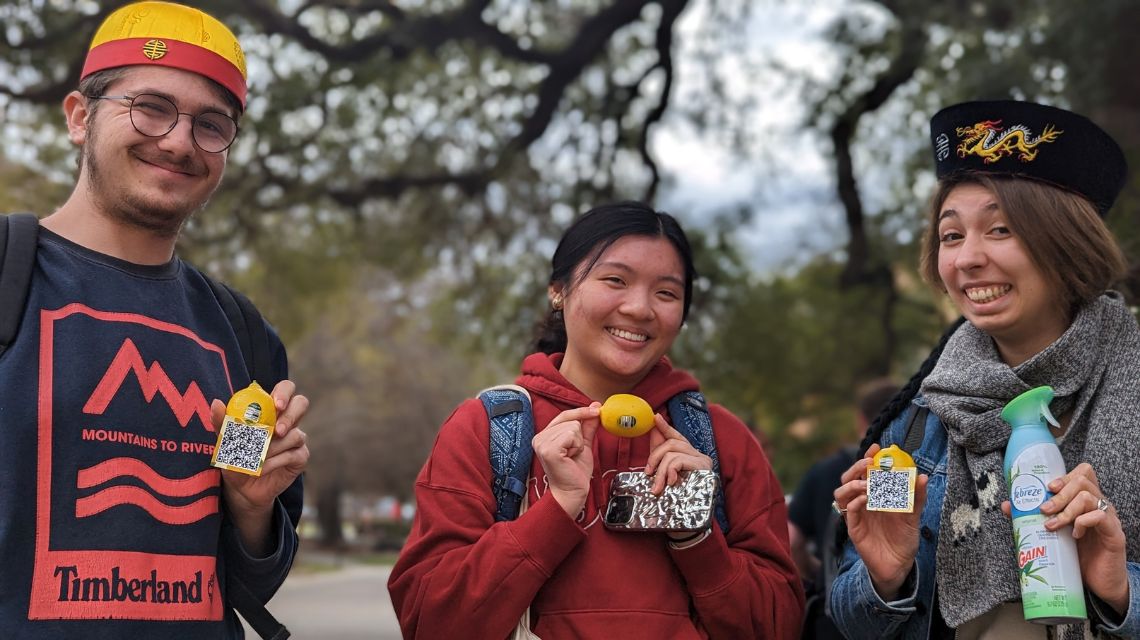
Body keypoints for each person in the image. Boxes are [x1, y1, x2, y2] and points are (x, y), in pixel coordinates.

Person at [0, 2, 309, 638]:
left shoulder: (242, 334)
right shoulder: (9, 274)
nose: (178, 141)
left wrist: (251, 509)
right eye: (151, 107)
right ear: (80, 117)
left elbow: (250, 579)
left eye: (211, 125)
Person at [387, 201, 804, 638]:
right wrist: (556, 509)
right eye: (615, 280)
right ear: (559, 290)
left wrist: (695, 534)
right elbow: (431, 622)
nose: (640, 308)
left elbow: (779, 627)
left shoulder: (721, 441)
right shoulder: (486, 430)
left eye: (666, 293)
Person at [830, 100, 1140, 640]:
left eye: (999, 230)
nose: (967, 259)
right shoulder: (917, 423)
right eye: (952, 236)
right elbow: (852, 619)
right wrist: (885, 579)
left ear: (1068, 241)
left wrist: (1120, 590)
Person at [788, 379, 899, 639]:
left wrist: (815, 573)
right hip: (888, 615)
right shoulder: (898, 468)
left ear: (861, 420)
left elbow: (791, 538)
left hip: (832, 618)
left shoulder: (826, 468)